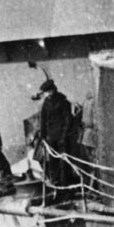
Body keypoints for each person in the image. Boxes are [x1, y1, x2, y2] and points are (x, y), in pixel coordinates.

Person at [34, 78, 79, 207]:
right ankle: (57, 191)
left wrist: (63, 137)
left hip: (62, 139)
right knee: (53, 166)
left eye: (47, 92)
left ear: (52, 90)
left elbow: (68, 120)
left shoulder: (63, 102)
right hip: (51, 139)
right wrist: (43, 137)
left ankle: (67, 192)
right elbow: (43, 120)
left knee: (64, 165)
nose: (46, 95)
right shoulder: (46, 103)